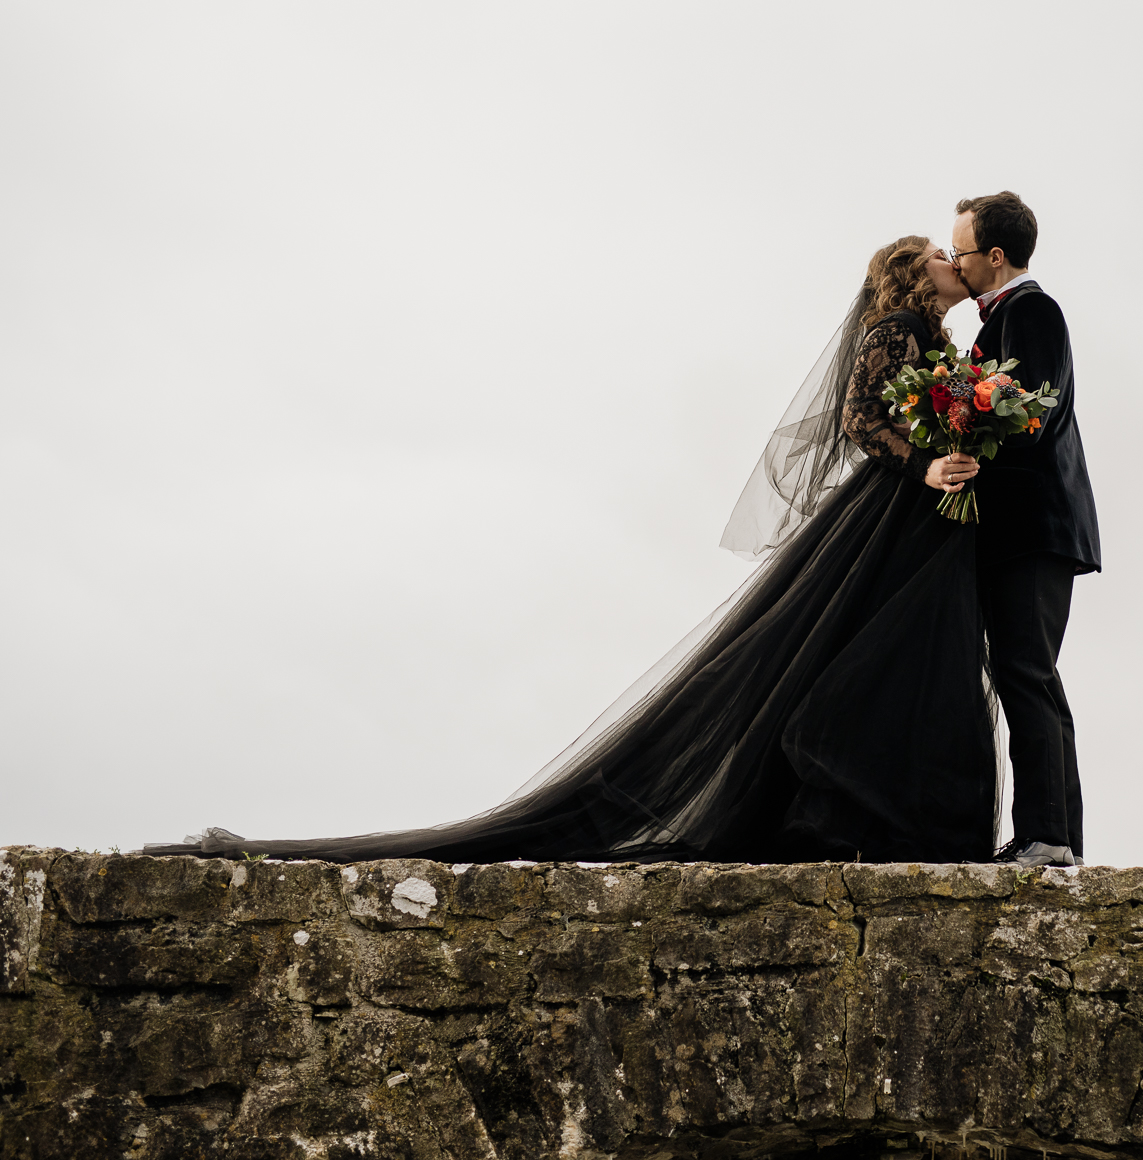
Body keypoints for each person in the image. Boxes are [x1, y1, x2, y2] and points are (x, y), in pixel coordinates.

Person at [147, 237, 1003, 865]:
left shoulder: (941, 341)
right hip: (896, 505)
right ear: (905, 270)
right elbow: (860, 422)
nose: (945, 259)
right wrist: (930, 463)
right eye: (934, 250)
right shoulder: (894, 327)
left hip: (914, 515)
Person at [947, 192, 1100, 870]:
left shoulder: (1031, 310)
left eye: (962, 253)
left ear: (995, 257)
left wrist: (972, 446)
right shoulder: (1000, 319)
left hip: (1034, 526)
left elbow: (1034, 411)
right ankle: (1053, 834)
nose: (958, 264)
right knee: (1023, 673)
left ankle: (1048, 834)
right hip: (1019, 529)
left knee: (1027, 673)